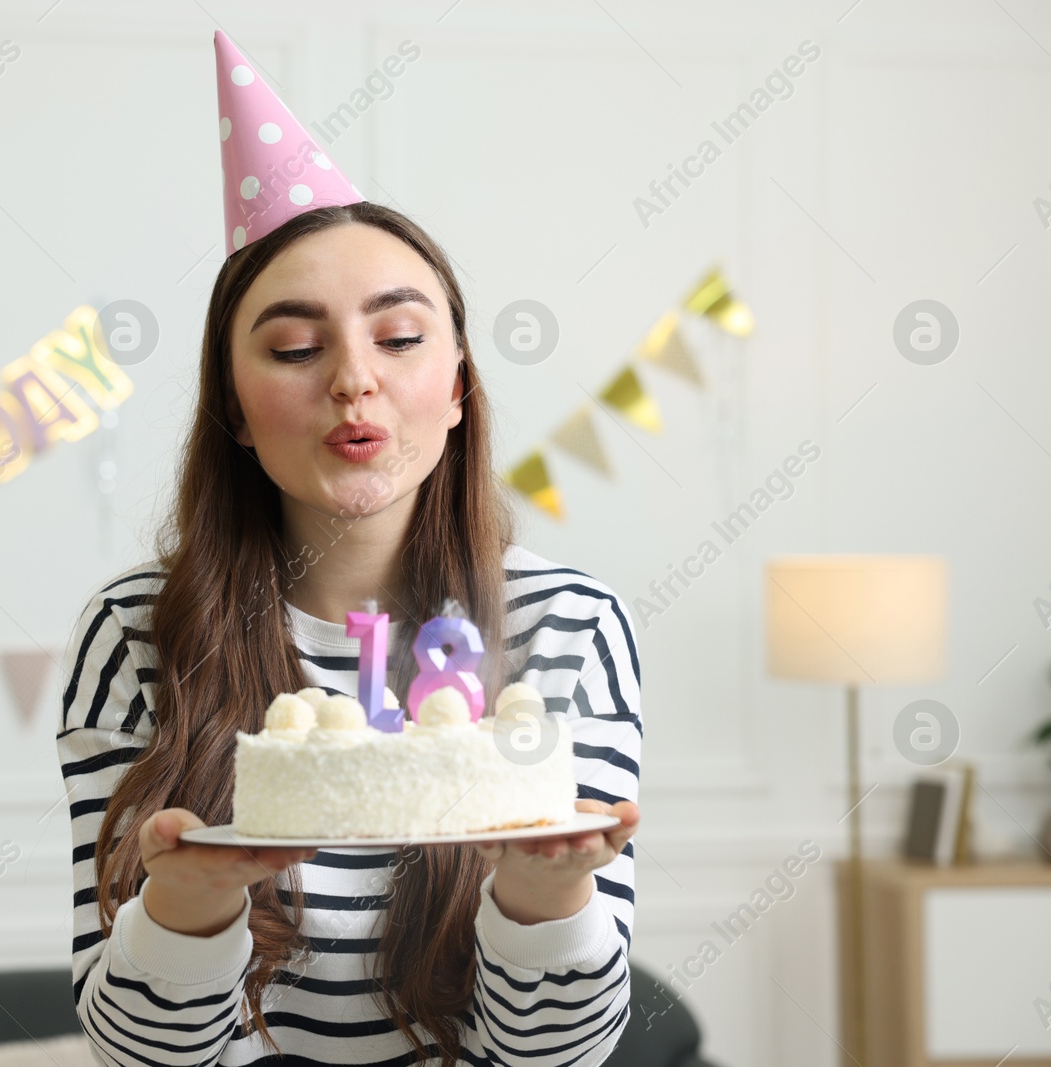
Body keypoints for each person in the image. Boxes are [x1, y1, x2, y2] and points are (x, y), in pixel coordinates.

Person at [53, 31, 641, 1067]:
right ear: (233, 406)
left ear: (456, 385)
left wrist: (547, 894)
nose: (353, 380)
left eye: (400, 336)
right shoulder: (136, 632)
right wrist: (184, 903)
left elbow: (556, 1058)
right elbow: (141, 1059)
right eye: (292, 346)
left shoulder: (569, 625)